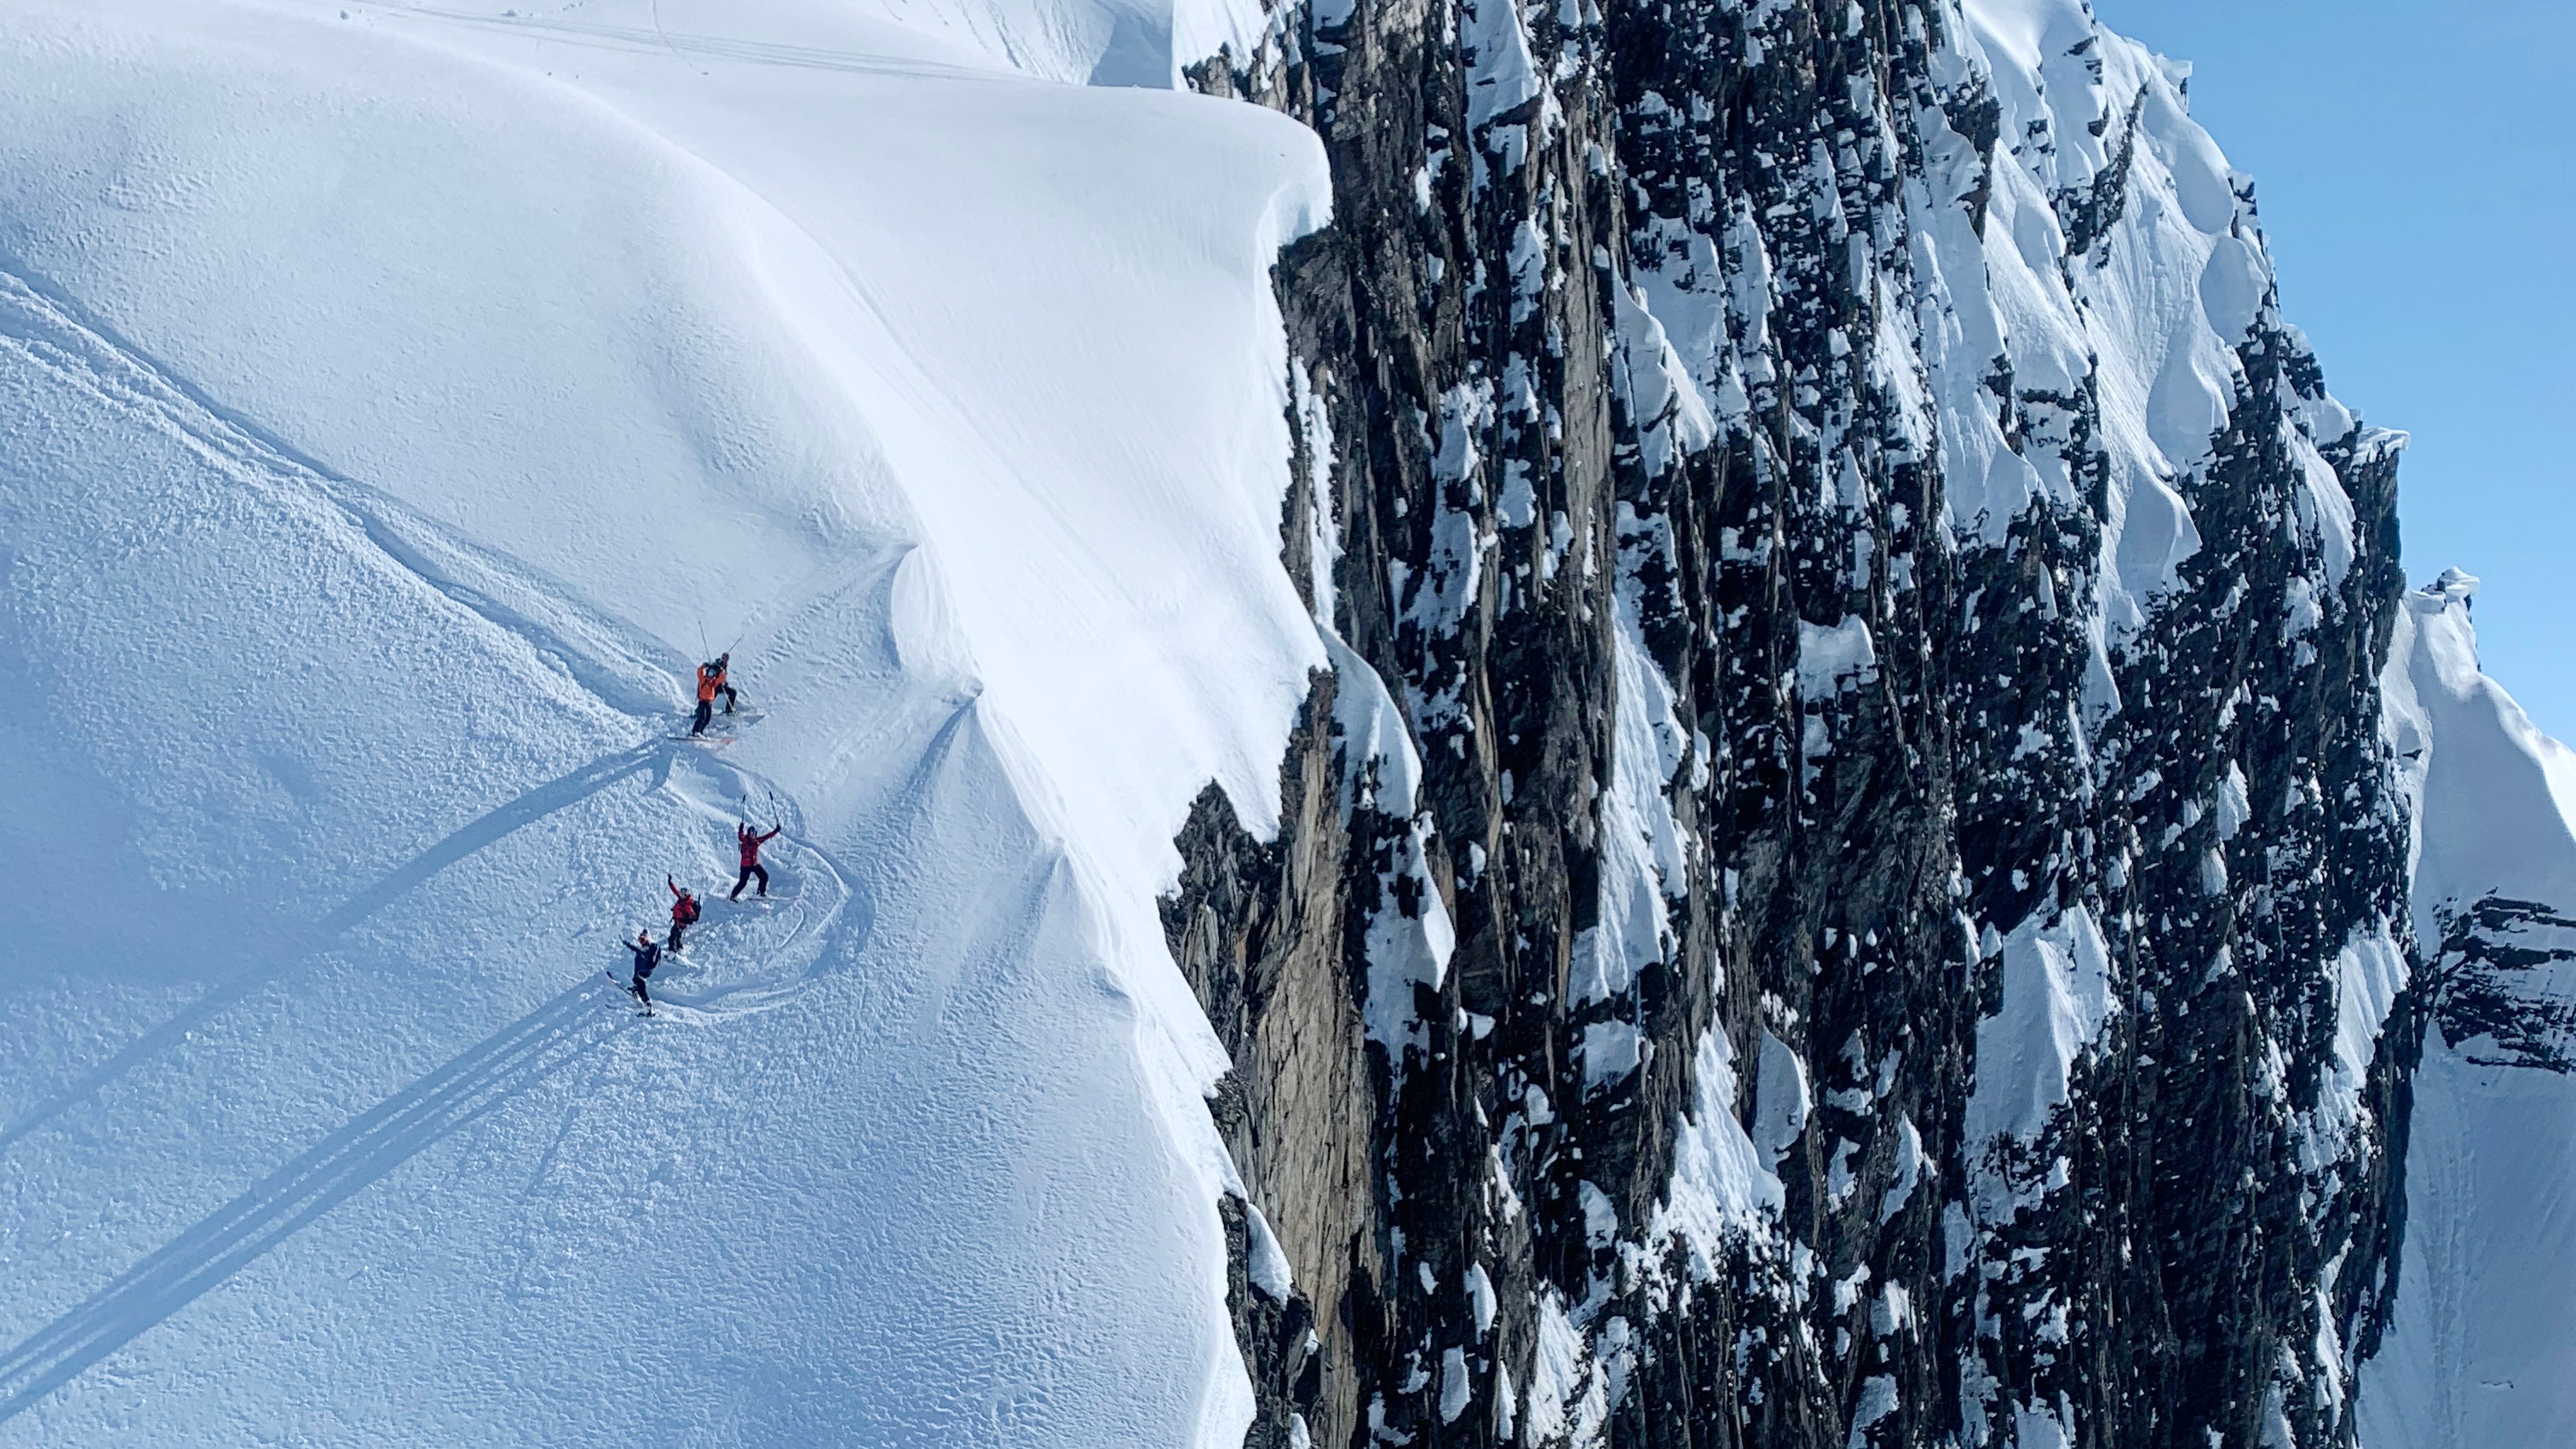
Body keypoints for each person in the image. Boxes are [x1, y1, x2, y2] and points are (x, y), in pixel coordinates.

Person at [732, 821, 782, 900]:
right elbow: (741, 836)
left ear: (755, 834)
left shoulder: (757, 841)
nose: (752, 835)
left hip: (754, 864)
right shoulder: (745, 840)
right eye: (750, 833)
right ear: (748, 834)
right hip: (745, 866)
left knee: (764, 876)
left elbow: (767, 836)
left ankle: (760, 893)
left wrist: (776, 831)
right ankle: (733, 896)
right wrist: (741, 828)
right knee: (743, 883)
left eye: (753, 833)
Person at [691, 653, 737, 736]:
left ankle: (700, 732)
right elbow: (699, 671)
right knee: (702, 717)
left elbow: (721, 679)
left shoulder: (713, 682)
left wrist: (722, 670)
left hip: (709, 702)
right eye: (710, 673)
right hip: (703, 701)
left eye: (712, 673)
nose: (711, 675)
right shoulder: (703, 679)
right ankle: (695, 732)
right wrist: (704, 665)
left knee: (707, 719)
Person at [626, 929, 663, 1012]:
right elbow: (641, 951)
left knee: (640, 979)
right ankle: (636, 988)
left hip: (647, 968)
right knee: (638, 963)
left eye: (643, 939)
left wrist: (629, 945)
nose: (642, 942)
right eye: (640, 940)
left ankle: (647, 1004)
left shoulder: (651, 946)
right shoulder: (646, 948)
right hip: (645, 968)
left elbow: (644, 952)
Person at [667, 876, 702, 953]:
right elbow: (675, 891)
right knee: (678, 936)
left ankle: (672, 952)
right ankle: (680, 949)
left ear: (686, 895)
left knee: (672, 936)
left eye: (683, 893)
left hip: (680, 923)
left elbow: (693, 915)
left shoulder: (687, 905)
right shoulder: (681, 899)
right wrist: (670, 883)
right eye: (681, 892)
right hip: (678, 922)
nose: (681, 894)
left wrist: (687, 918)